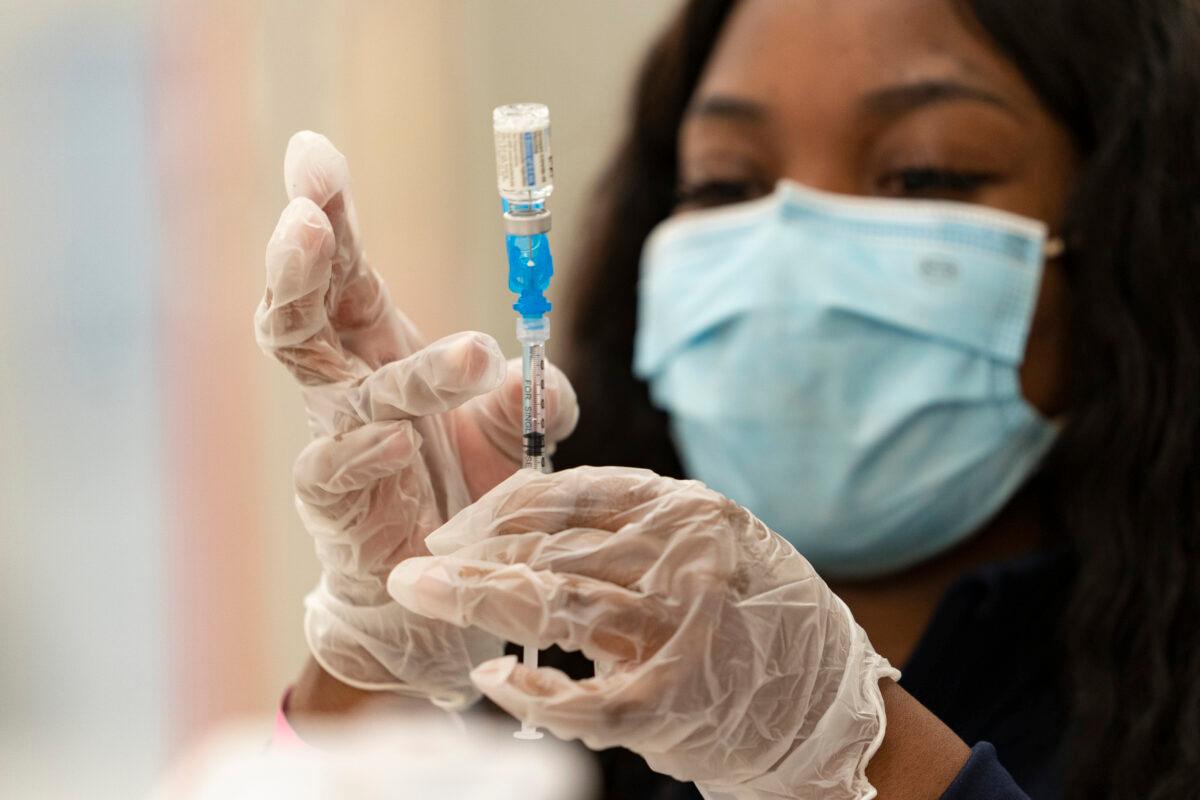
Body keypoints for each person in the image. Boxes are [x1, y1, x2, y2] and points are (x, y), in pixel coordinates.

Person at [254, 0, 1200, 797]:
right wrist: (379, 674)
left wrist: (845, 751)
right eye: (726, 182)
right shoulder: (577, 701)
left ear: (1133, 230)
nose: (786, 249)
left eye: (927, 171)